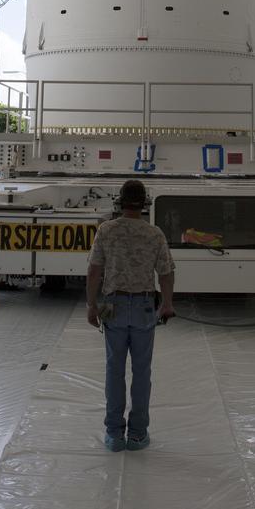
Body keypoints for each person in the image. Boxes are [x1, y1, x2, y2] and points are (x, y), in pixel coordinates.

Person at [86, 179, 175, 452]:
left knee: (114, 370)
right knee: (141, 371)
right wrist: (167, 304)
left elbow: (94, 271)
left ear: (120, 202)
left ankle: (114, 435)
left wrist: (91, 305)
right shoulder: (154, 233)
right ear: (144, 203)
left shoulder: (106, 230)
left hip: (112, 305)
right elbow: (166, 273)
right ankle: (137, 435)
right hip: (144, 307)